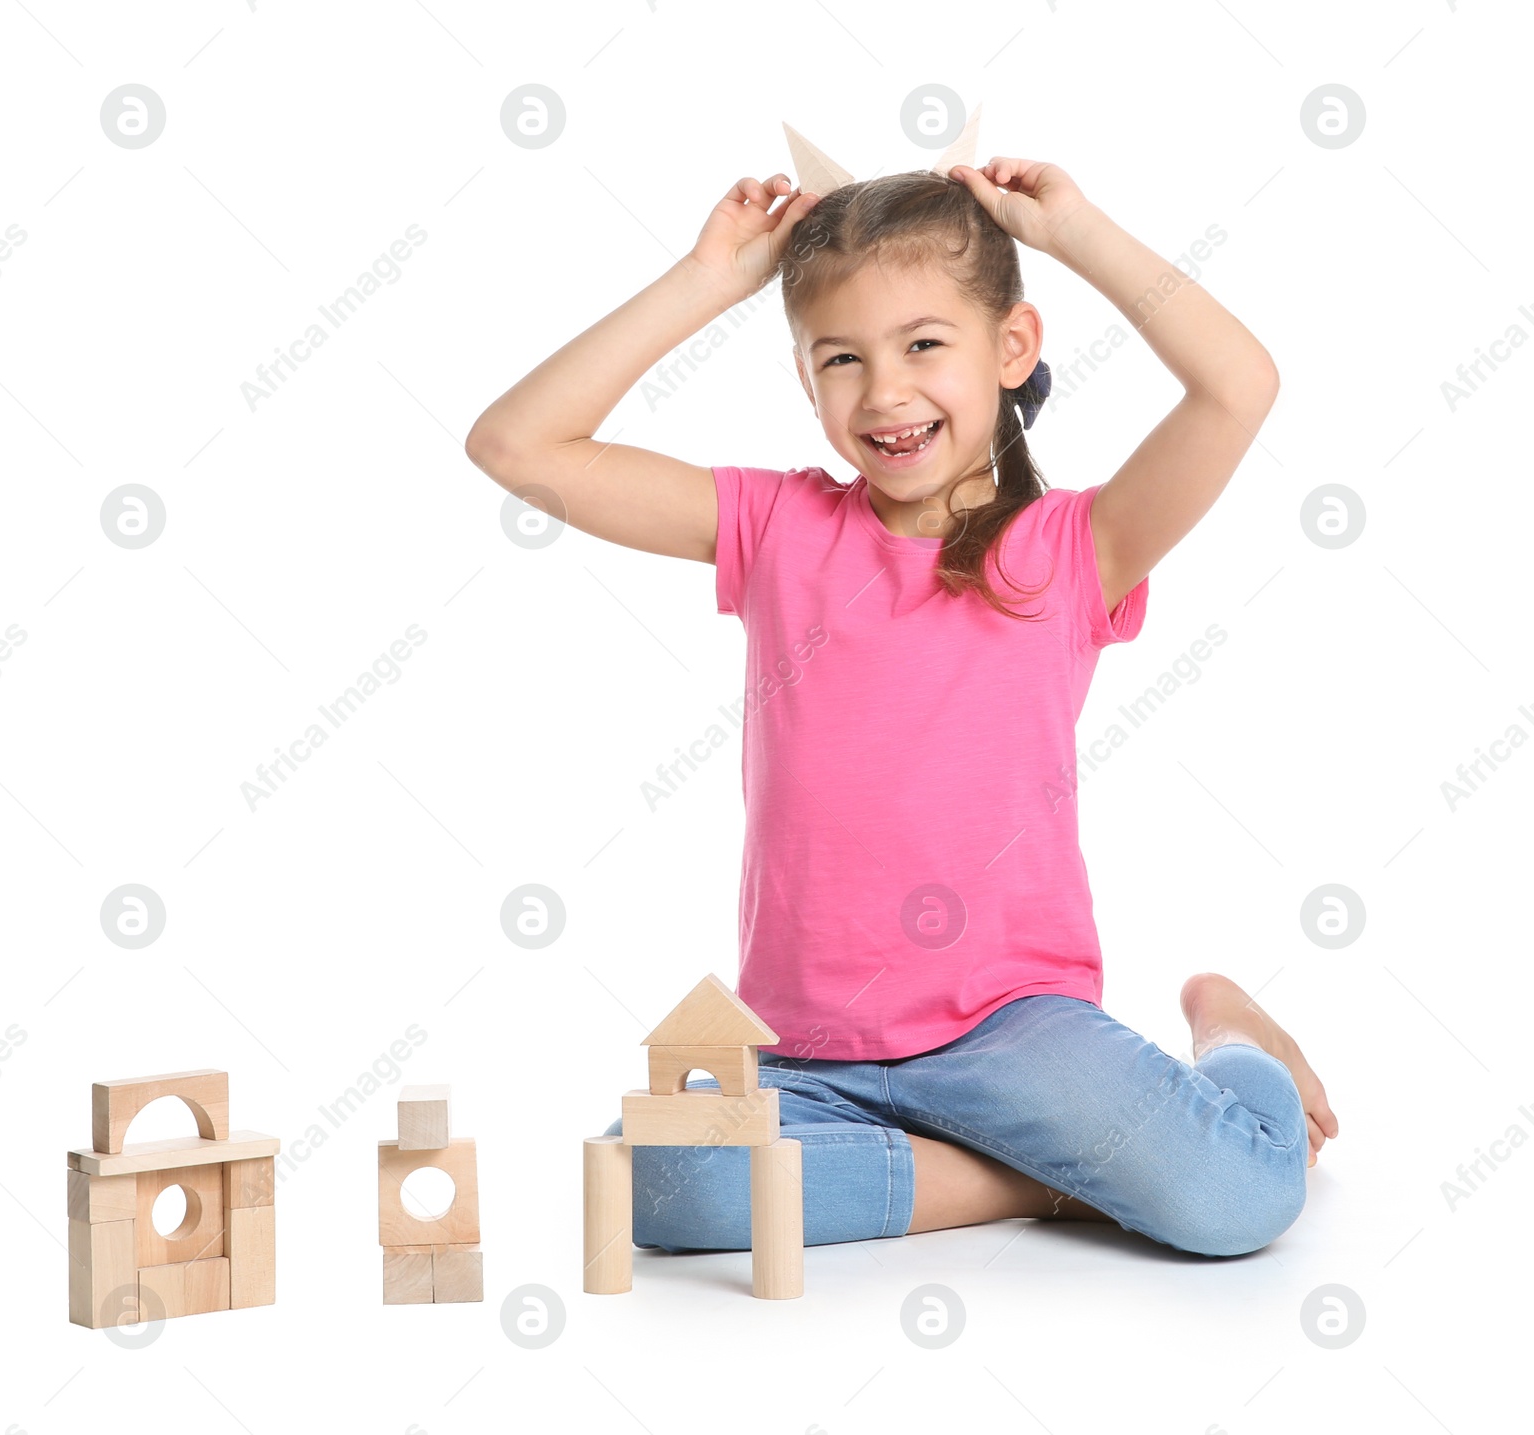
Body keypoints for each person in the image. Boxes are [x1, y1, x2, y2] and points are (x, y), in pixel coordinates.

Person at [466, 155, 1339, 1259]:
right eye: (842, 358)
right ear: (804, 379)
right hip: (810, 1050)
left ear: (1010, 348)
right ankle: (1038, 1178)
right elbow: (516, 446)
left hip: (1010, 1030)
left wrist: (1075, 231)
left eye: (925, 343)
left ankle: (1235, 1039)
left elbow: (1239, 385)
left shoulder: (1074, 550)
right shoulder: (775, 527)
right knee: (661, 1188)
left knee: (1238, 1197)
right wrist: (702, 279)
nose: (883, 392)